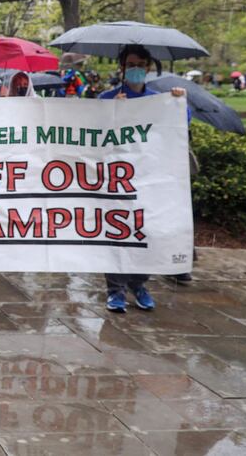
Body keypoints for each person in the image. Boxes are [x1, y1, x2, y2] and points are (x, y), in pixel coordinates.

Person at [100, 44, 187, 314]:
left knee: (145, 231)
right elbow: (94, 132)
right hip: (117, 177)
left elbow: (179, 125)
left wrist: (178, 102)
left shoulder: (159, 99)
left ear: (148, 67)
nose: (135, 69)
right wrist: (112, 112)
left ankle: (139, 285)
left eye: (140, 64)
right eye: (130, 64)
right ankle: (115, 290)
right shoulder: (107, 97)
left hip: (149, 178)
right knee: (117, 232)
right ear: (122, 67)